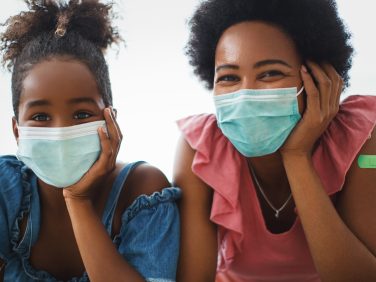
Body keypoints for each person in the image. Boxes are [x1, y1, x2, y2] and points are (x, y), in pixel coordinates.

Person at [173, 0, 376, 281]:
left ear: (320, 78)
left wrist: (296, 156)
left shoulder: (362, 137)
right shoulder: (199, 148)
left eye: (270, 73)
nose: (246, 93)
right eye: (229, 77)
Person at [0, 1, 180, 281]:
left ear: (111, 119)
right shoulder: (5, 191)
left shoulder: (142, 190)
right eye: (41, 117)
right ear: (16, 130)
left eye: (81, 113)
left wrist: (77, 200)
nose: (60, 131)